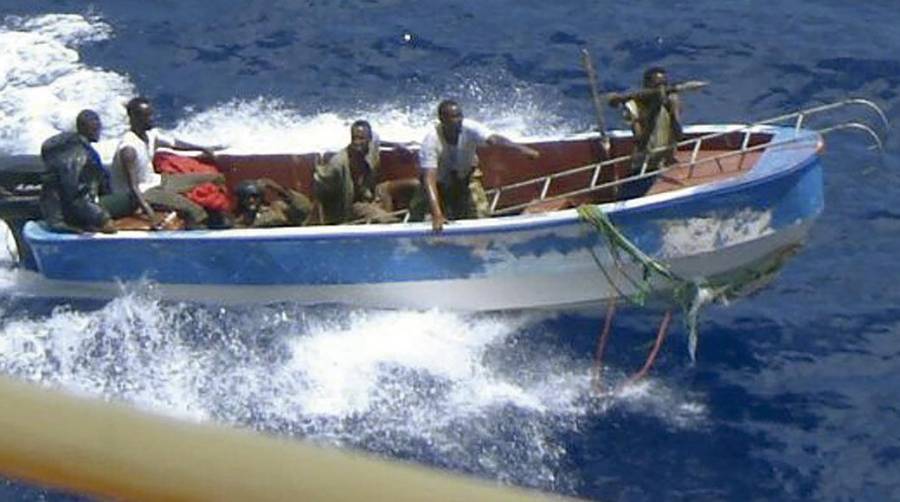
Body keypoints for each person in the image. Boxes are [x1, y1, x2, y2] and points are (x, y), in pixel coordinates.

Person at [410, 100, 540, 233]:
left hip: (466, 176)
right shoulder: (431, 141)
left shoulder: (470, 128)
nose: (458, 120)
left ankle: (480, 243)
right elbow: (429, 178)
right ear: (442, 120)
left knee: (482, 213)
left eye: (460, 116)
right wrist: (436, 214)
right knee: (417, 211)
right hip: (438, 181)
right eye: (453, 117)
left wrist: (521, 149)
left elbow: (493, 139)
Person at [109, 97, 226, 229]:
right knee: (194, 210)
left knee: (215, 178)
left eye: (151, 114)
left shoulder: (151, 134)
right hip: (142, 193)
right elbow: (133, 188)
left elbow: (174, 143)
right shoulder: (129, 150)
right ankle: (197, 233)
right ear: (134, 118)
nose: (152, 118)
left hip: (156, 181)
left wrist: (203, 148)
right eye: (147, 116)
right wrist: (150, 214)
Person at [313, 120, 414, 224]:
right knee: (384, 218)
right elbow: (319, 190)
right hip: (354, 204)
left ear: (369, 139)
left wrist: (398, 146)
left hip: (373, 192)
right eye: (354, 138)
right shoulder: (338, 163)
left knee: (415, 184)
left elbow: (377, 140)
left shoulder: (372, 146)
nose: (357, 142)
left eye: (361, 138)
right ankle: (394, 225)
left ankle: (418, 215)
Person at [39, 109, 116, 233]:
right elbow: (76, 195)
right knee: (131, 200)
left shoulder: (66, 145)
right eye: (95, 128)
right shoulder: (82, 157)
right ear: (84, 128)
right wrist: (102, 218)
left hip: (53, 214)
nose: (99, 130)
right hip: (69, 217)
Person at [617, 67, 683, 174]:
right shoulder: (633, 106)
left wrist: (672, 112)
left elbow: (679, 136)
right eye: (657, 85)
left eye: (664, 85)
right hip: (645, 165)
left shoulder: (671, 100)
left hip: (667, 161)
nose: (661, 89)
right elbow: (641, 142)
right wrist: (654, 111)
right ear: (647, 86)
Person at [234, 178, 312, 228]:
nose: (251, 200)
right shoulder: (239, 221)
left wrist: (278, 189)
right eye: (246, 197)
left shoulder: (276, 208)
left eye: (255, 196)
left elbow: (305, 209)